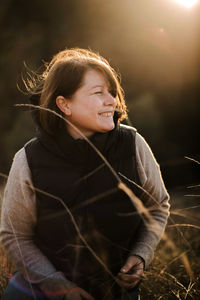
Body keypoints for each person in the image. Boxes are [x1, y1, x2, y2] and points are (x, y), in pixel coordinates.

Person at [0, 48, 170, 300]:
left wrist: (141, 255)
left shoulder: (133, 144)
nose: (111, 100)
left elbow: (158, 206)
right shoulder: (28, 159)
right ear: (64, 104)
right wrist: (57, 286)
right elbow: (15, 235)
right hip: (38, 291)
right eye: (98, 92)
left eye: (111, 92)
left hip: (115, 291)